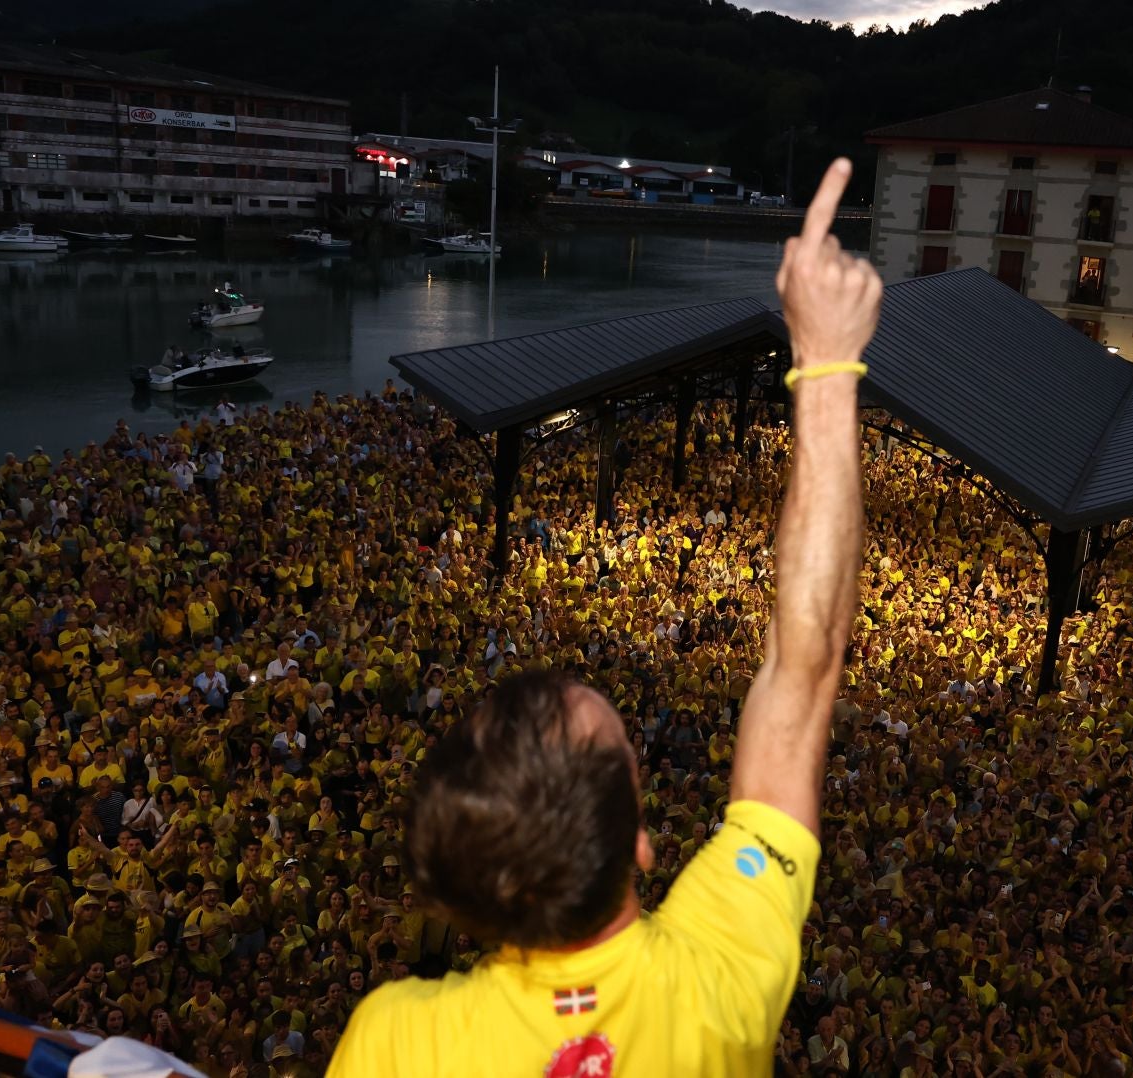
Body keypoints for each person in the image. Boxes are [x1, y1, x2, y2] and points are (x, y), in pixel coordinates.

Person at [329, 158, 881, 1077]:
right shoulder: (717, 987)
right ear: (641, 844)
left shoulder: (396, 1041)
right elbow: (806, 666)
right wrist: (826, 365)